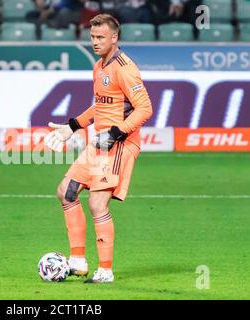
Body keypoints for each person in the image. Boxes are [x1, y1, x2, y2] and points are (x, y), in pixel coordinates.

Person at [44, 13, 153, 283]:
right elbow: (100, 106)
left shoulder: (125, 68)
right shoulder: (99, 67)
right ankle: (78, 261)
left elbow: (145, 108)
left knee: (97, 202)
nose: (95, 42)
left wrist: (117, 132)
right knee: (66, 192)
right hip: (99, 143)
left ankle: (105, 271)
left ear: (114, 38)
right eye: (92, 37)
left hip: (120, 143)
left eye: (100, 37)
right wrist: (73, 126)